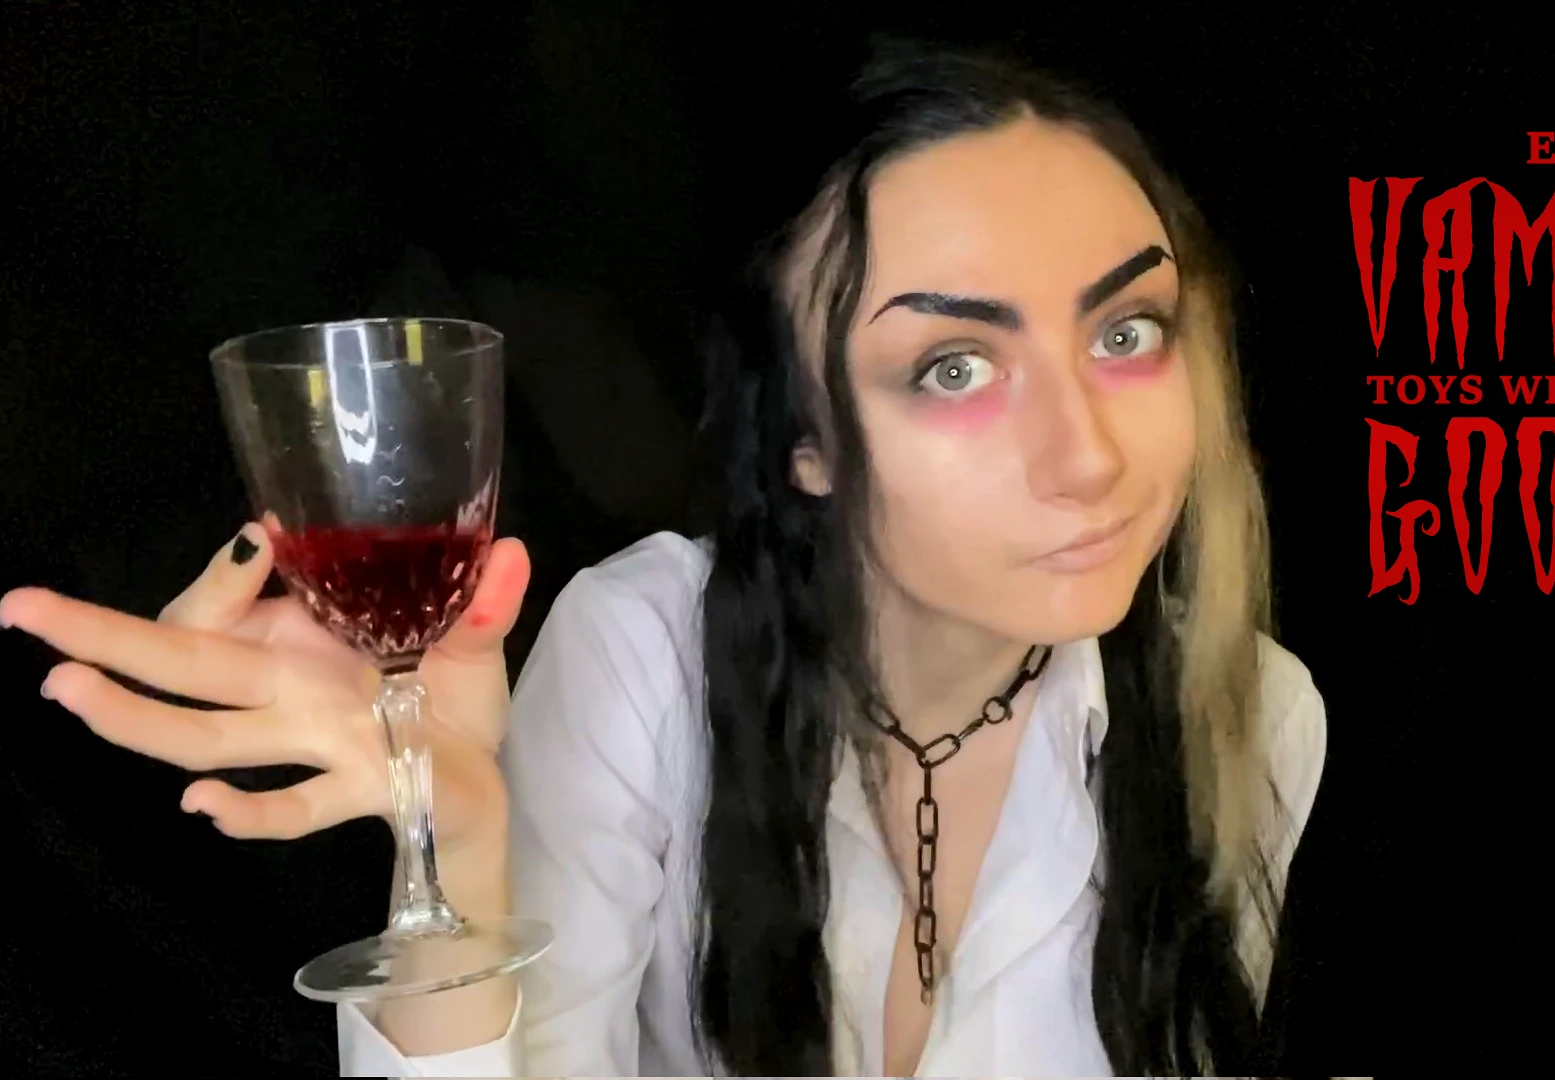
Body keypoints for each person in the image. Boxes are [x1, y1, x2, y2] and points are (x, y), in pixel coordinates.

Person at [0, 41, 1327, 1077]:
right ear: (805, 442)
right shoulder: (645, 658)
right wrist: (457, 848)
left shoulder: (1253, 717)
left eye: (1126, 333)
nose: (1087, 457)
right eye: (954, 366)